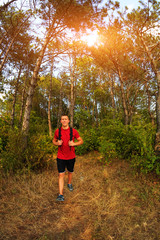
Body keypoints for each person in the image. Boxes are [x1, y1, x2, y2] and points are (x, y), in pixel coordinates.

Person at [53, 115, 83, 201]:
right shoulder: (57, 131)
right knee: (61, 174)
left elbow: (81, 141)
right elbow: (54, 141)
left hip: (71, 156)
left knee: (70, 172)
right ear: (61, 121)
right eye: (62, 119)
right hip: (60, 156)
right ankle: (60, 195)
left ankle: (69, 183)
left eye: (65, 119)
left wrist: (74, 144)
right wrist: (57, 143)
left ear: (68, 121)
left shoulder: (73, 131)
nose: (64, 120)